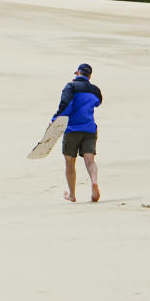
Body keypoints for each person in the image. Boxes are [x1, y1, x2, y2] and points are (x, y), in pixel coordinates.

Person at [52, 63, 103, 202]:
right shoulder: (95, 90)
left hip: (73, 129)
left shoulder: (71, 87)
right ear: (89, 76)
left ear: (78, 73)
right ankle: (94, 181)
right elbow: (98, 102)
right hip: (89, 129)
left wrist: (55, 120)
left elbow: (65, 104)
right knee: (90, 160)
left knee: (70, 162)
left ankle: (72, 195)